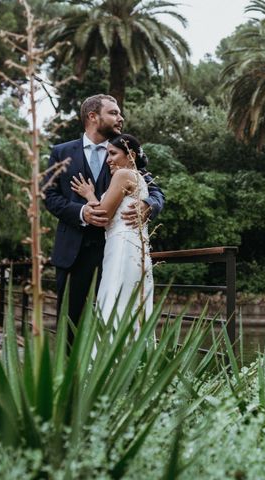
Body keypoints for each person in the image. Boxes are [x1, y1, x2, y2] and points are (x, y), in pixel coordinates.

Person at [44, 94, 164, 344]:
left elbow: (154, 191)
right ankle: (73, 382)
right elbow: (49, 196)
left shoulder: (124, 150)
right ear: (93, 116)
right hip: (73, 254)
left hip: (117, 253)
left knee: (115, 317)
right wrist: (81, 212)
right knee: (71, 328)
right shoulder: (61, 152)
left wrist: (148, 205)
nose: (120, 118)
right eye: (114, 113)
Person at [70, 134, 153, 328]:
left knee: (115, 301)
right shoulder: (138, 177)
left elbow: (103, 215)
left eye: (113, 154)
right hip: (131, 248)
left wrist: (89, 194)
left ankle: (112, 355)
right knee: (130, 304)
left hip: (123, 249)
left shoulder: (123, 175)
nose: (108, 160)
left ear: (130, 154)